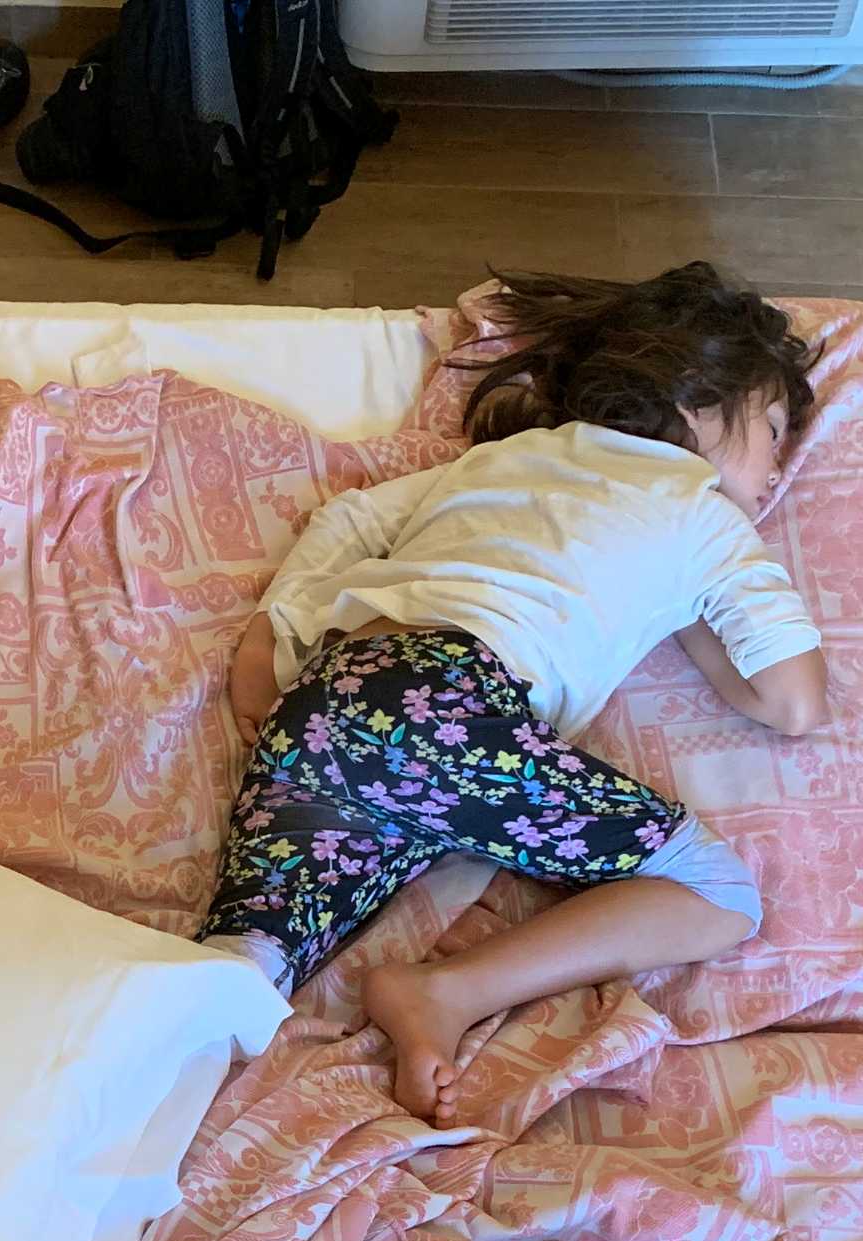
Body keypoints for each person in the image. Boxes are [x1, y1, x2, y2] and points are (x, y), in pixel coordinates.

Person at [207, 262, 831, 1124]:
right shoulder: (701, 515)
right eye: (769, 430)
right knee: (717, 894)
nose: (776, 468)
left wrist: (267, 639)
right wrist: (691, 618)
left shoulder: (504, 458)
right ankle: (447, 993)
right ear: (696, 403)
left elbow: (350, 520)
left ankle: (137, 1058)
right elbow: (794, 702)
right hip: (445, 710)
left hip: (328, 702)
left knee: (247, 962)